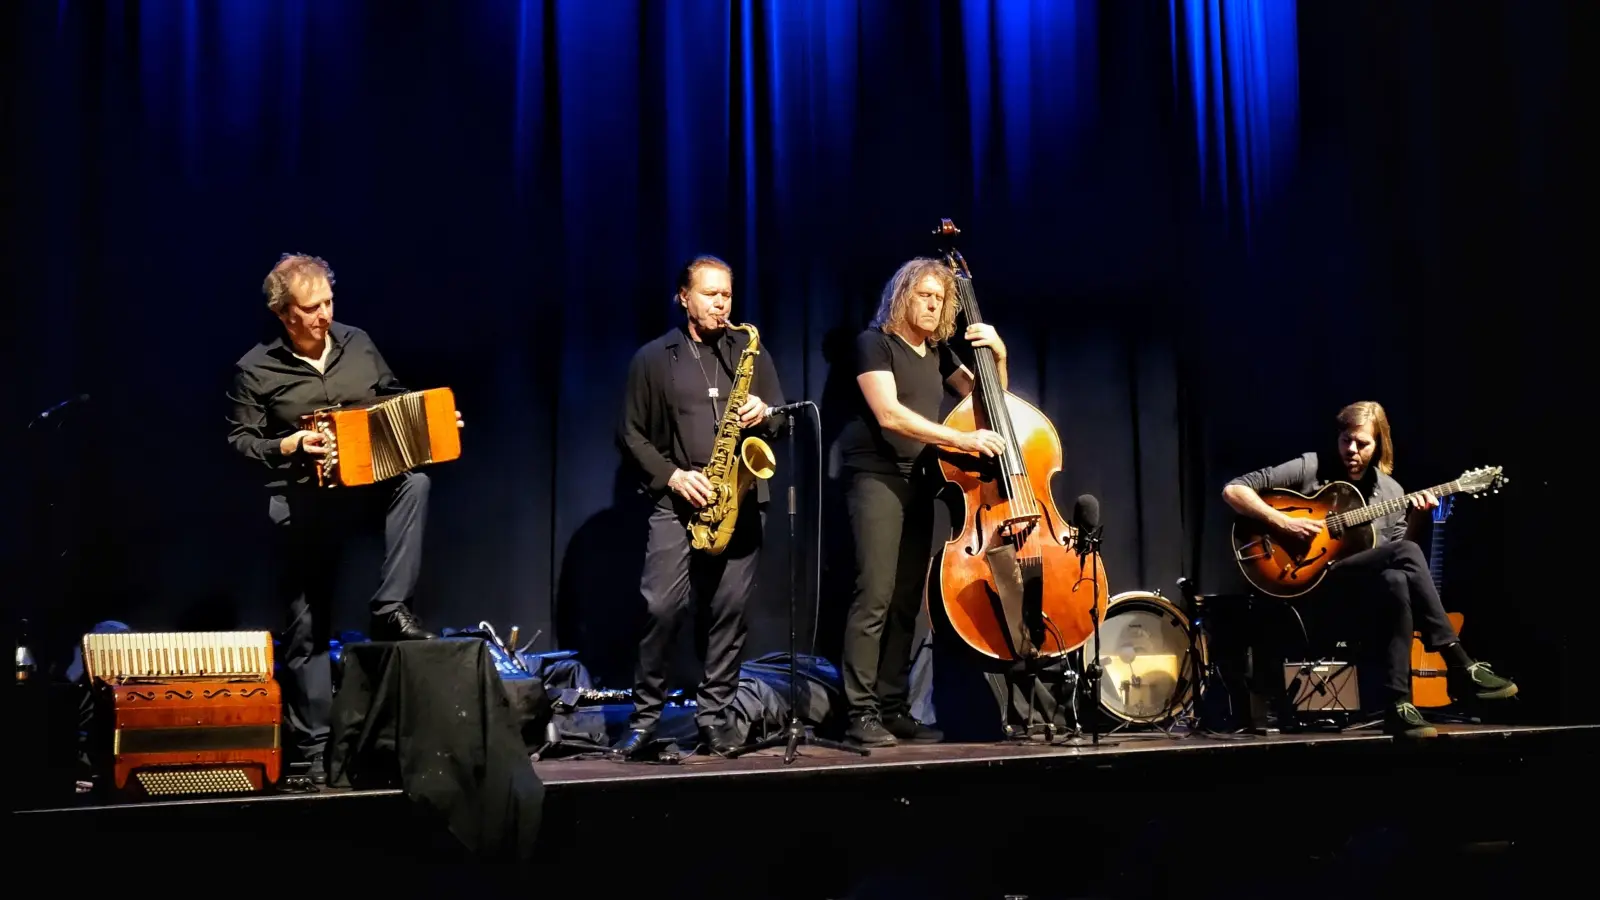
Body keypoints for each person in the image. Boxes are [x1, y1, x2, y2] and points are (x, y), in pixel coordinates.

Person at [226, 252, 461, 780]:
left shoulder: (358, 343)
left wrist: (433, 419)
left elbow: (393, 396)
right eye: (312, 308)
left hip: (363, 490)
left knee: (415, 481)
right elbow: (239, 442)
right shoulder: (255, 368)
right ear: (284, 313)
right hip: (302, 501)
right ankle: (316, 750)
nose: (325, 315)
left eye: (329, 302)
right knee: (307, 626)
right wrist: (287, 445)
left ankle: (390, 605)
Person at [1221, 400, 1517, 739]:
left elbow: (1398, 555)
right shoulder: (1311, 467)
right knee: (1403, 561)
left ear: (1379, 445)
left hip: (1360, 599)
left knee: (1396, 578)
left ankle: (1399, 706)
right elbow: (1234, 489)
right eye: (1346, 439)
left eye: (1362, 443)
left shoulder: (1391, 492)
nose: (1352, 449)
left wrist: (1418, 517)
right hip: (1313, 591)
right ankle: (1461, 662)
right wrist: (1284, 522)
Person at [612, 254, 787, 759]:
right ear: (684, 297)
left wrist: (765, 412)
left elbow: (779, 418)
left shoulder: (749, 350)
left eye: (726, 295)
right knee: (661, 607)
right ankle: (645, 718)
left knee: (729, 612)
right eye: (710, 294)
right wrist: (673, 476)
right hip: (679, 497)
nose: (720, 304)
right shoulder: (653, 358)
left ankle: (715, 717)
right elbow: (630, 434)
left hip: (740, 499)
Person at [833, 257, 1010, 747]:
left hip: (920, 481)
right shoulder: (875, 343)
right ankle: (860, 713)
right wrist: (960, 441)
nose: (932, 305)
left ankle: (892, 707)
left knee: (907, 599)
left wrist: (998, 356)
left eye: (939, 298)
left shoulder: (938, 353)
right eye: (924, 296)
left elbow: (990, 403)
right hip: (876, 478)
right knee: (875, 595)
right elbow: (889, 414)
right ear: (902, 297)